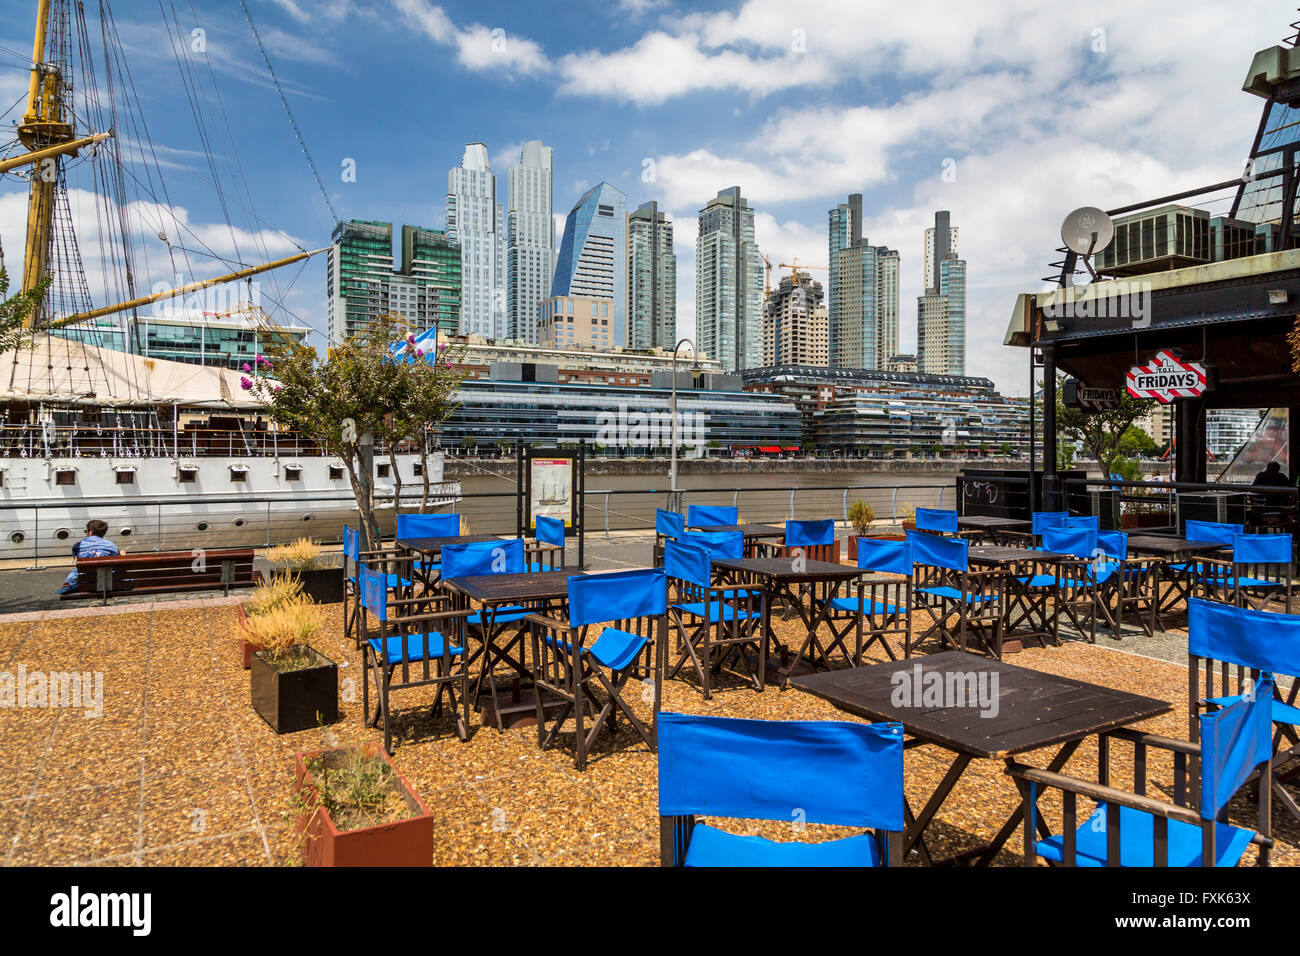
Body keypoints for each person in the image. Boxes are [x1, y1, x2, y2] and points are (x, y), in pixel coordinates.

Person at [57, 520, 120, 595]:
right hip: (107, 581)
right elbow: (117, 559)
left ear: (90, 532)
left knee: (76, 572)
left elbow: (76, 556)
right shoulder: (111, 545)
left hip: (86, 581)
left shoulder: (78, 545)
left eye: (85, 531)